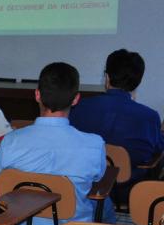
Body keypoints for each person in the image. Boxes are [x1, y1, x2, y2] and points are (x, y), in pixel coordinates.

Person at [0, 62, 112, 225]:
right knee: (105, 200)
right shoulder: (94, 144)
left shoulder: (11, 141)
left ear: (37, 95)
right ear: (76, 99)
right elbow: (97, 179)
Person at [70, 49, 164, 187]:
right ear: (138, 82)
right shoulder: (149, 116)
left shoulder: (79, 107)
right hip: (128, 190)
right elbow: (156, 149)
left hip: (86, 185)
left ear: (107, 78)